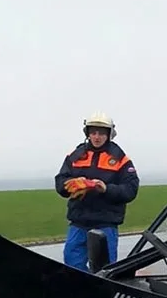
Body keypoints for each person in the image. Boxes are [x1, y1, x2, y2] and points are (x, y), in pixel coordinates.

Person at [54, 111, 140, 271]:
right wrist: (71, 184)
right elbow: (60, 182)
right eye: (93, 132)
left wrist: (106, 189)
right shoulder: (75, 155)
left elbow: (131, 189)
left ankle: (102, 295)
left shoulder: (120, 158)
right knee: (72, 265)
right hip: (78, 222)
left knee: (104, 269)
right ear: (87, 133)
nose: (97, 136)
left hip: (106, 223)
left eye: (101, 132)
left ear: (109, 134)